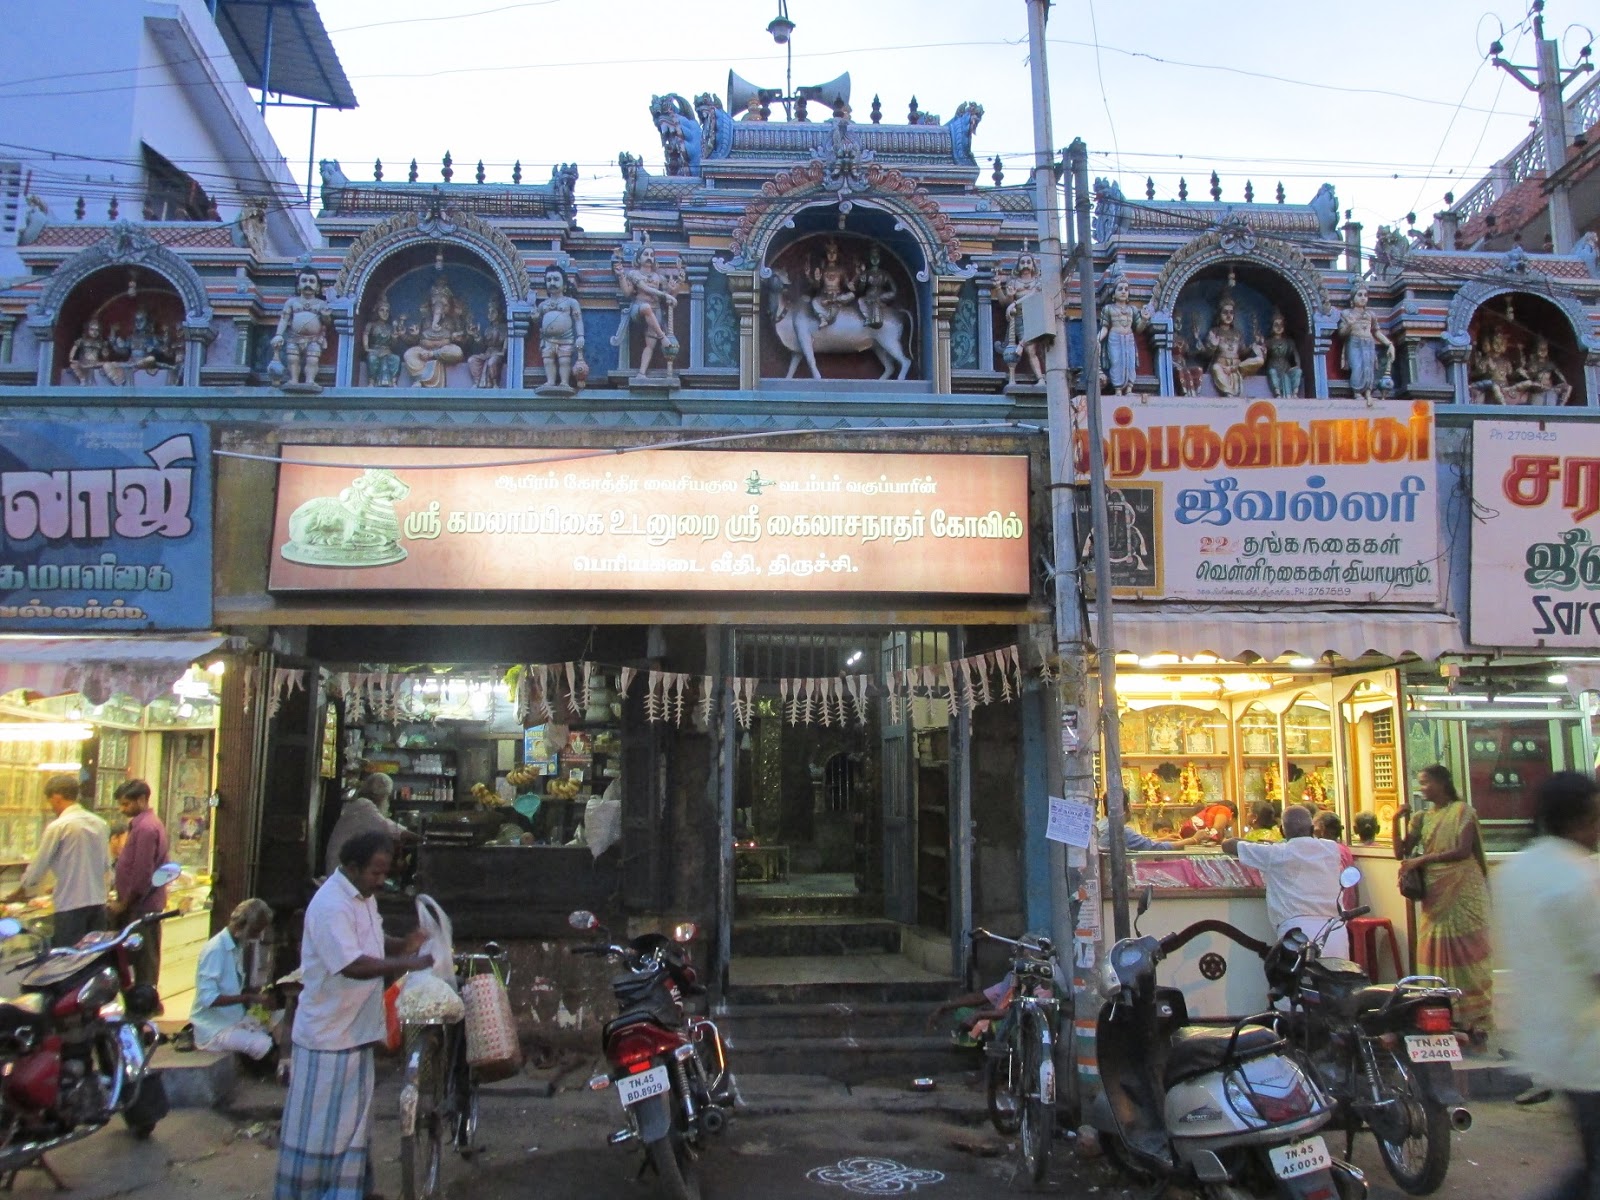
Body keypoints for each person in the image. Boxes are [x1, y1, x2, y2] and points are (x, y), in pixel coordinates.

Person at [275, 831, 432, 1200]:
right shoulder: (331, 905)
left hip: (356, 1031)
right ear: (351, 867)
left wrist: (405, 944)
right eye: (375, 873)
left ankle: (351, 1191)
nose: (381, 881)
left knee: (352, 1128)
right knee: (320, 1132)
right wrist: (406, 962)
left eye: (385, 873)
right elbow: (353, 965)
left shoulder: (363, 899)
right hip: (327, 1038)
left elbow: (375, 945)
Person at [1496, 771, 1600, 1184]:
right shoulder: (1580, 878)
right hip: (1588, 1046)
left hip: (1546, 1040)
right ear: (1580, 819)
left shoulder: (1519, 870)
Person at [1395, 764, 1493, 1044]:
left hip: (1463, 888)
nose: (1421, 788)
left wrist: (1422, 860)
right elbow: (1399, 852)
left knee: (1469, 951)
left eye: (1425, 782)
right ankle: (1439, 1010)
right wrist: (1395, 821)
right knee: (1433, 947)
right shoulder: (1422, 817)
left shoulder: (1463, 811)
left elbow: (1462, 851)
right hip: (1435, 896)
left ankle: (1473, 1019)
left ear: (1441, 783)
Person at [1223, 804, 1348, 958]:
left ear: (1282, 831)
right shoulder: (1331, 848)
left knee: (1299, 981)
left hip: (1297, 934)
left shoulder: (1276, 853)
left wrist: (1262, 845)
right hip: (1335, 931)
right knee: (1339, 979)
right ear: (1311, 830)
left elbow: (1228, 845)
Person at [5, 774, 109, 949]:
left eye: (50, 801)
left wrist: (23, 888)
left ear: (57, 797)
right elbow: (106, 864)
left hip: (71, 906)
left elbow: (39, 864)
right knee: (92, 957)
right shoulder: (100, 824)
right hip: (98, 904)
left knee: (67, 960)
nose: (51, 806)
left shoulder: (59, 826)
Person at [192, 898, 278, 1061]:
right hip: (214, 1029)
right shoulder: (215, 949)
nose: (258, 935)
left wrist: (255, 993)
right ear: (242, 925)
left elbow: (231, 987)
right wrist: (249, 997)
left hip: (233, 1020)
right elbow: (208, 998)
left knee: (278, 1021)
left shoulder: (236, 946)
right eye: (255, 930)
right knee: (263, 1045)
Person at [110, 778, 171, 990]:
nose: (122, 809)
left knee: (144, 961)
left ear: (142, 799)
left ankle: (145, 1004)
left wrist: (125, 904)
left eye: (126, 804)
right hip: (140, 905)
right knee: (139, 959)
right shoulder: (143, 825)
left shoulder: (145, 828)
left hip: (142, 907)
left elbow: (142, 873)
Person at [324, 773, 412, 878]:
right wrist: (420, 838)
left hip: (344, 864)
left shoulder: (361, 805)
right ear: (381, 794)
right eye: (386, 796)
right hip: (340, 867)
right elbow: (387, 826)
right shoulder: (364, 805)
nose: (386, 800)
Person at [1314, 810, 1358, 911]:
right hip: (1346, 906)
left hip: (1336, 909)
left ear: (1322, 829)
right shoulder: (1343, 848)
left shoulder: (1330, 850)